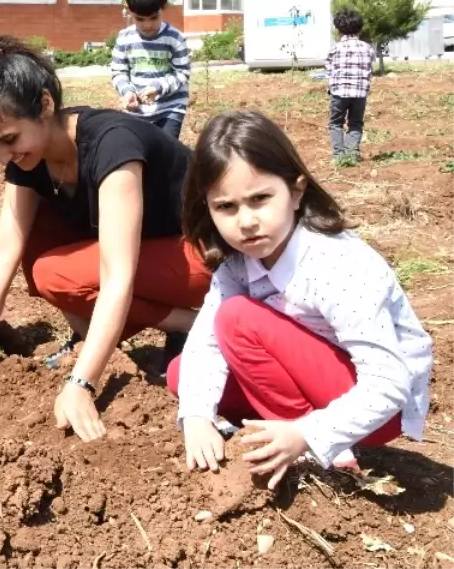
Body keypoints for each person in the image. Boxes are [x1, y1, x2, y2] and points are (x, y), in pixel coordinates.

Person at [0, 37, 212, 444]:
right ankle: (179, 326)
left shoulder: (112, 143)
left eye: (9, 139)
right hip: (154, 259)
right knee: (33, 238)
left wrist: (82, 383)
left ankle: (200, 322)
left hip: (202, 257)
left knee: (56, 272)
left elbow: (117, 274)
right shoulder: (32, 158)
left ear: (46, 105)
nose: (3, 156)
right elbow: (4, 246)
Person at [170, 110, 432, 487]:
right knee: (185, 374)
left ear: (296, 191)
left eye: (260, 199)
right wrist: (196, 417)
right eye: (225, 207)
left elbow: (389, 382)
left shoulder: (337, 263)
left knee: (237, 318)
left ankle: (320, 450)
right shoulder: (238, 264)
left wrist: (306, 434)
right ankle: (286, 431)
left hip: (378, 407)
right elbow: (207, 342)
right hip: (311, 379)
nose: (245, 222)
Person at [110, 0, 191, 140]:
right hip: (137, 111)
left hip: (170, 108)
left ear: (163, 8)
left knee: (166, 151)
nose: (147, 26)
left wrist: (158, 88)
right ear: (130, 12)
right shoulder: (125, 38)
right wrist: (127, 92)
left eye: (153, 18)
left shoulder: (175, 38)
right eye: (140, 19)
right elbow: (118, 72)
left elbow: (182, 73)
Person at [325, 7, 375, 162]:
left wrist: (331, 88)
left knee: (335, 123)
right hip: (360, 94)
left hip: (339, 93)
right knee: (355, 123)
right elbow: (369, 69)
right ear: (359, 28)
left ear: (338, 29)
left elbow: (329, 71)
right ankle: (351, 155)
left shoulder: (335, 49)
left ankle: (338, 156)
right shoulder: (367, 48)